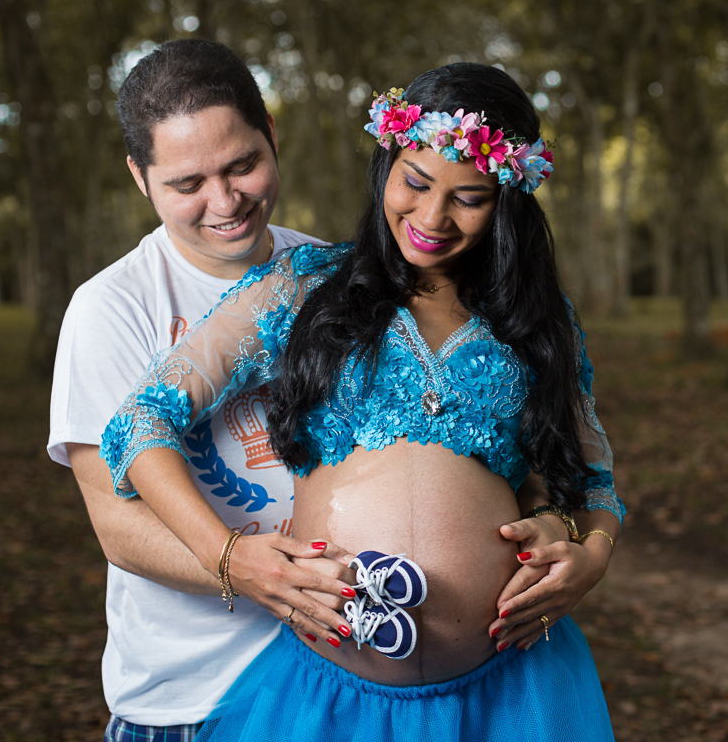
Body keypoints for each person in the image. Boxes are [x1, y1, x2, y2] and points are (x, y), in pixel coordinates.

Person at [98, 62, 623, 740]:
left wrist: (592, 552)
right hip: (325, 702)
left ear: (508, 201)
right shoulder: (303, 287)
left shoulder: (539, 322)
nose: (432, 217)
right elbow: (143, 419)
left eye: (470, 198)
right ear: (387, 164)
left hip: (512, 696)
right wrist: (226, 554)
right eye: (415, 182)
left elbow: (594, 486)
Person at [47, 38, 353, 741]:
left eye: (242, 164)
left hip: (339, 684)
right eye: (188, 184)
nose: (226, 201)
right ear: (140, 177)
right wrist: (240, 566)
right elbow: (119, 528)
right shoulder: (111, 308)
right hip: (192, 701)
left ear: (271, 134)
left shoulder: (332, 277)